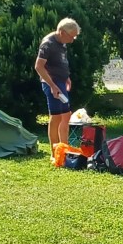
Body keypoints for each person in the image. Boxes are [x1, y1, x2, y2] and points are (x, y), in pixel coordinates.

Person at [33, 17, 80, 148]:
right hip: (51, 83)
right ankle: (55, 152)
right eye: (72, 36)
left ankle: (64, 147)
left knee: (66, 115)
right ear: (62, 32)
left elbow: (61, 62)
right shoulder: (48, 43)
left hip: (61, 82)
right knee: (56, 117)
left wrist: (67, 77)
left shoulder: (62, 42)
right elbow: (38, 66)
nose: (72, 40)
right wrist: (52, 86)